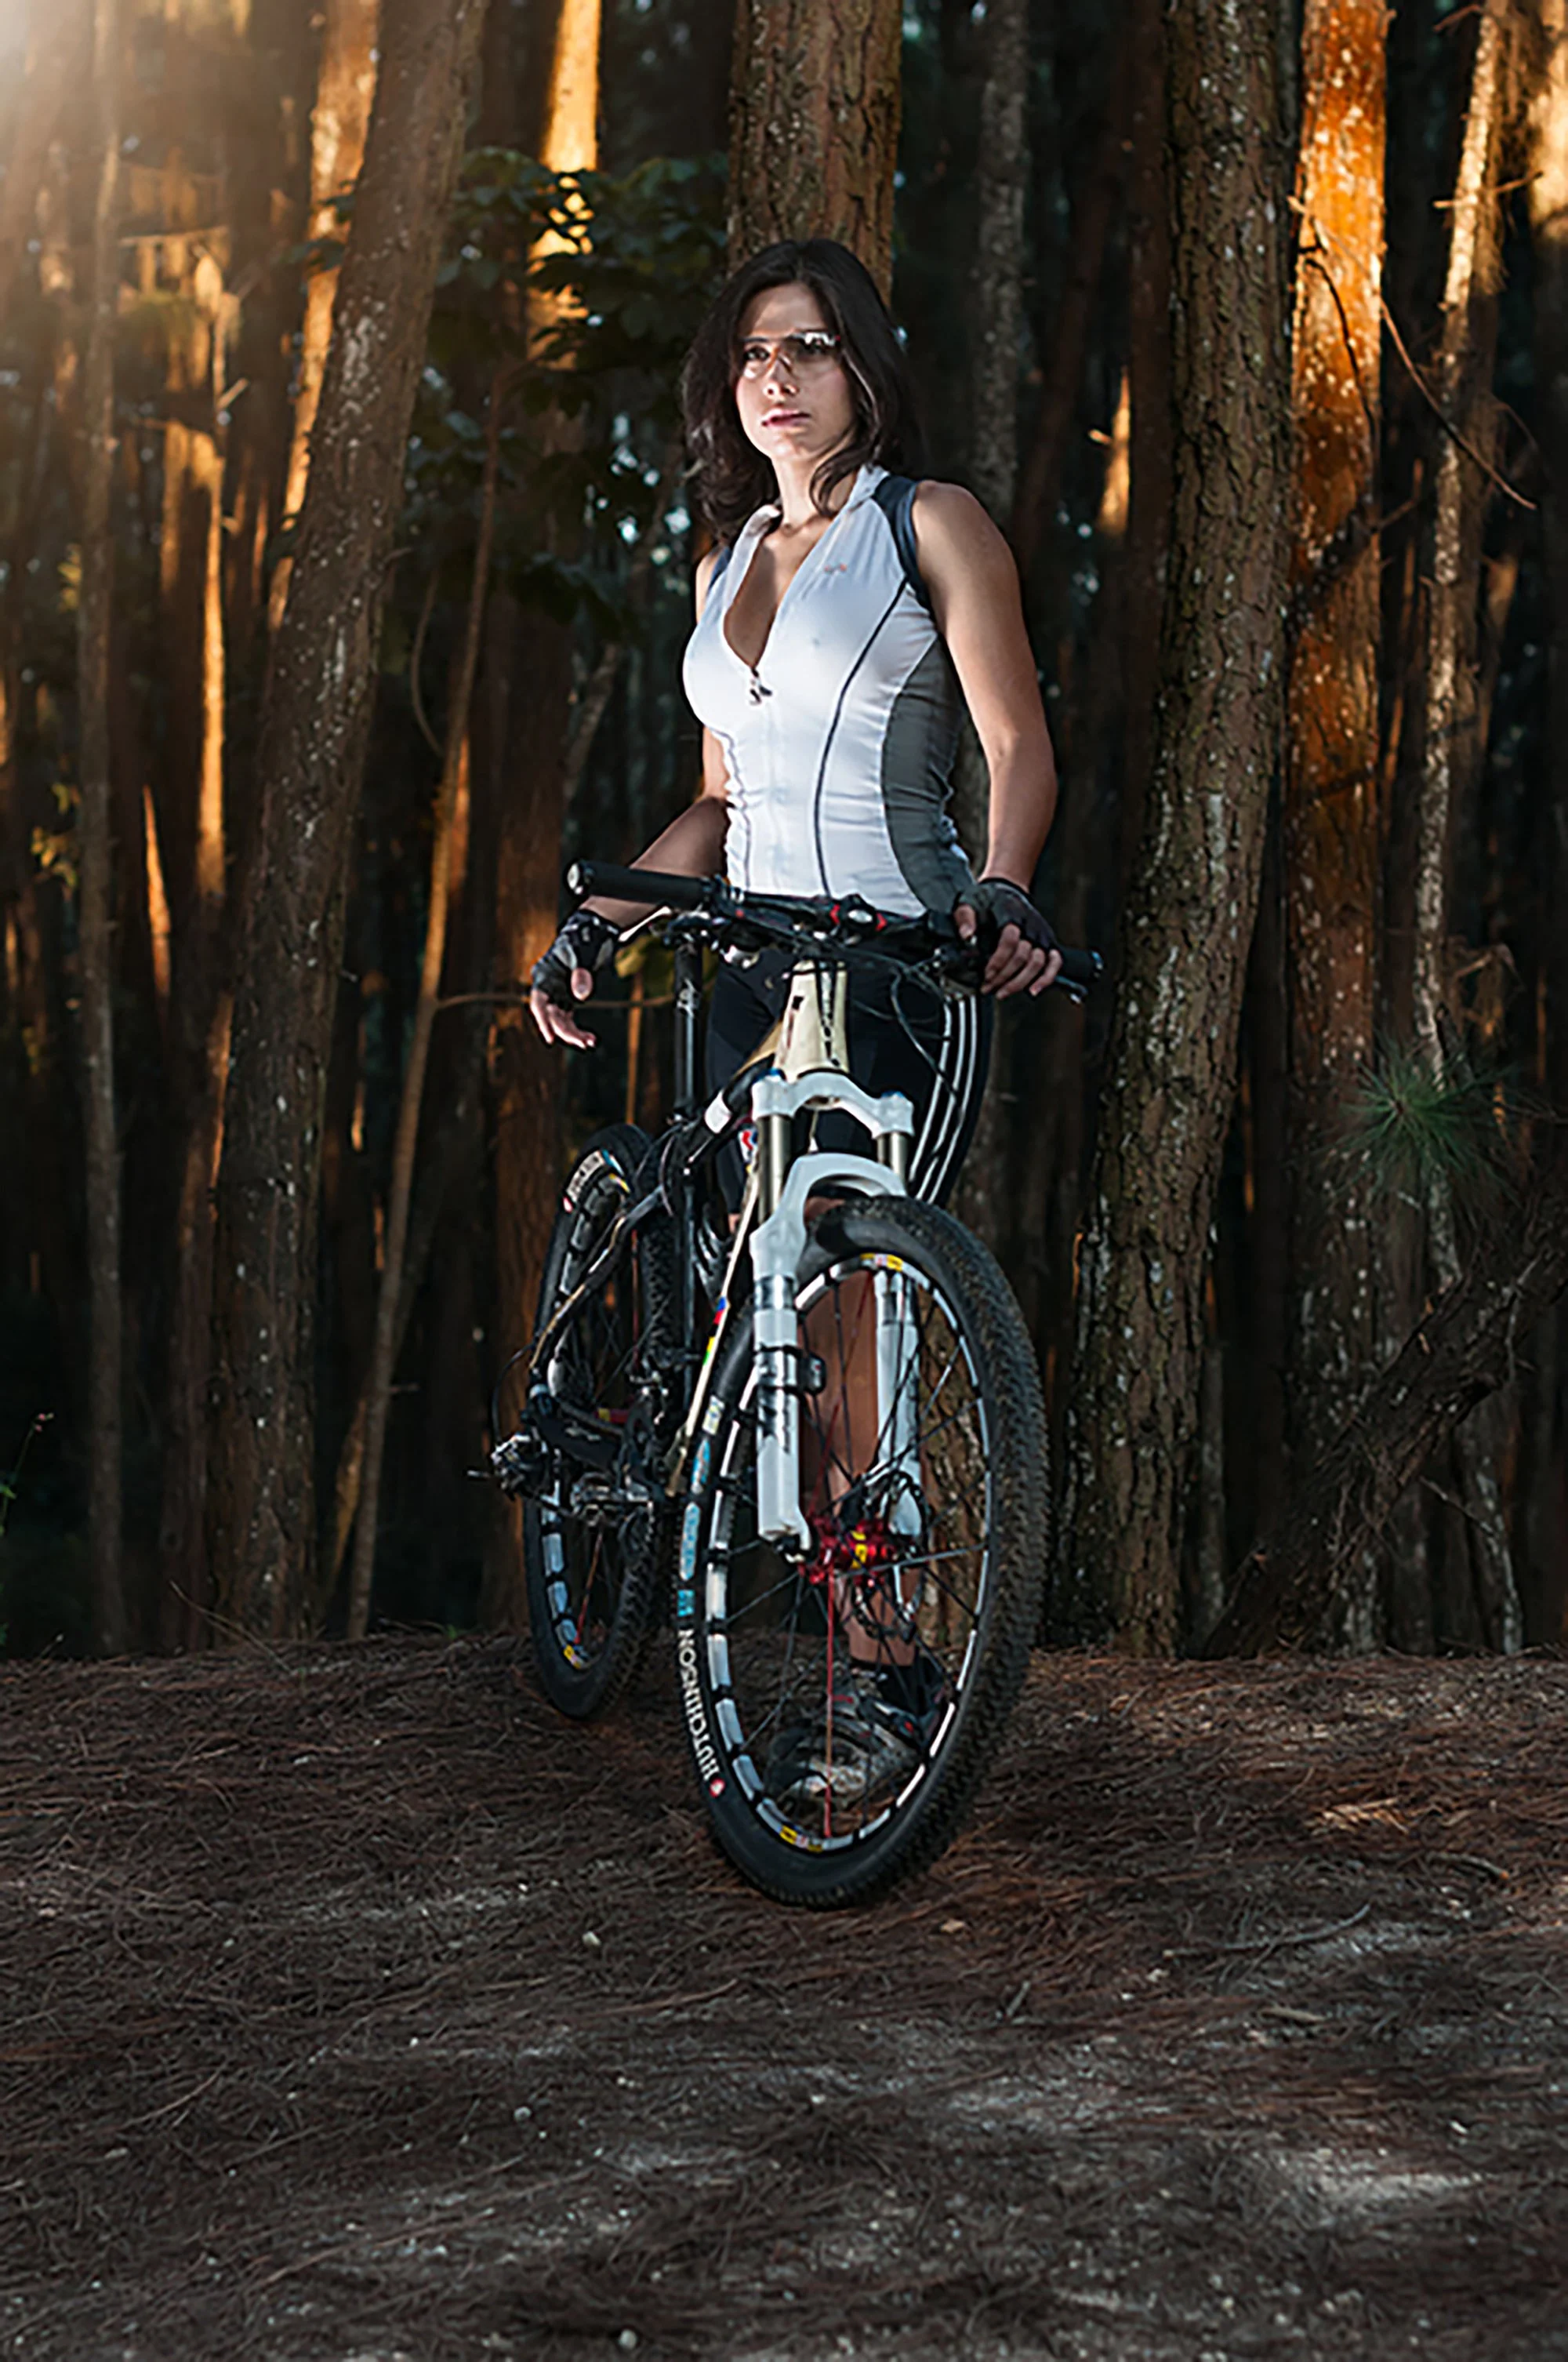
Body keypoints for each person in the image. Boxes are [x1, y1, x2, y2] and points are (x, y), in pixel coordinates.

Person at [529, 238, 1062, 1803]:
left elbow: (1017, 739)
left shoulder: (927, 524)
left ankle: (887, 1680)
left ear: (865, 370)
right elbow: (715, 804)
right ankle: (657, 1522)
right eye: (758, 351)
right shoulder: (730, 557)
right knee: (745, 1308)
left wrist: (1008, 889)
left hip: (893, 969)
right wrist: (592, 928)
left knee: (850, 1325)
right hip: (745, 965)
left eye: (813, 347)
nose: (780, 375)